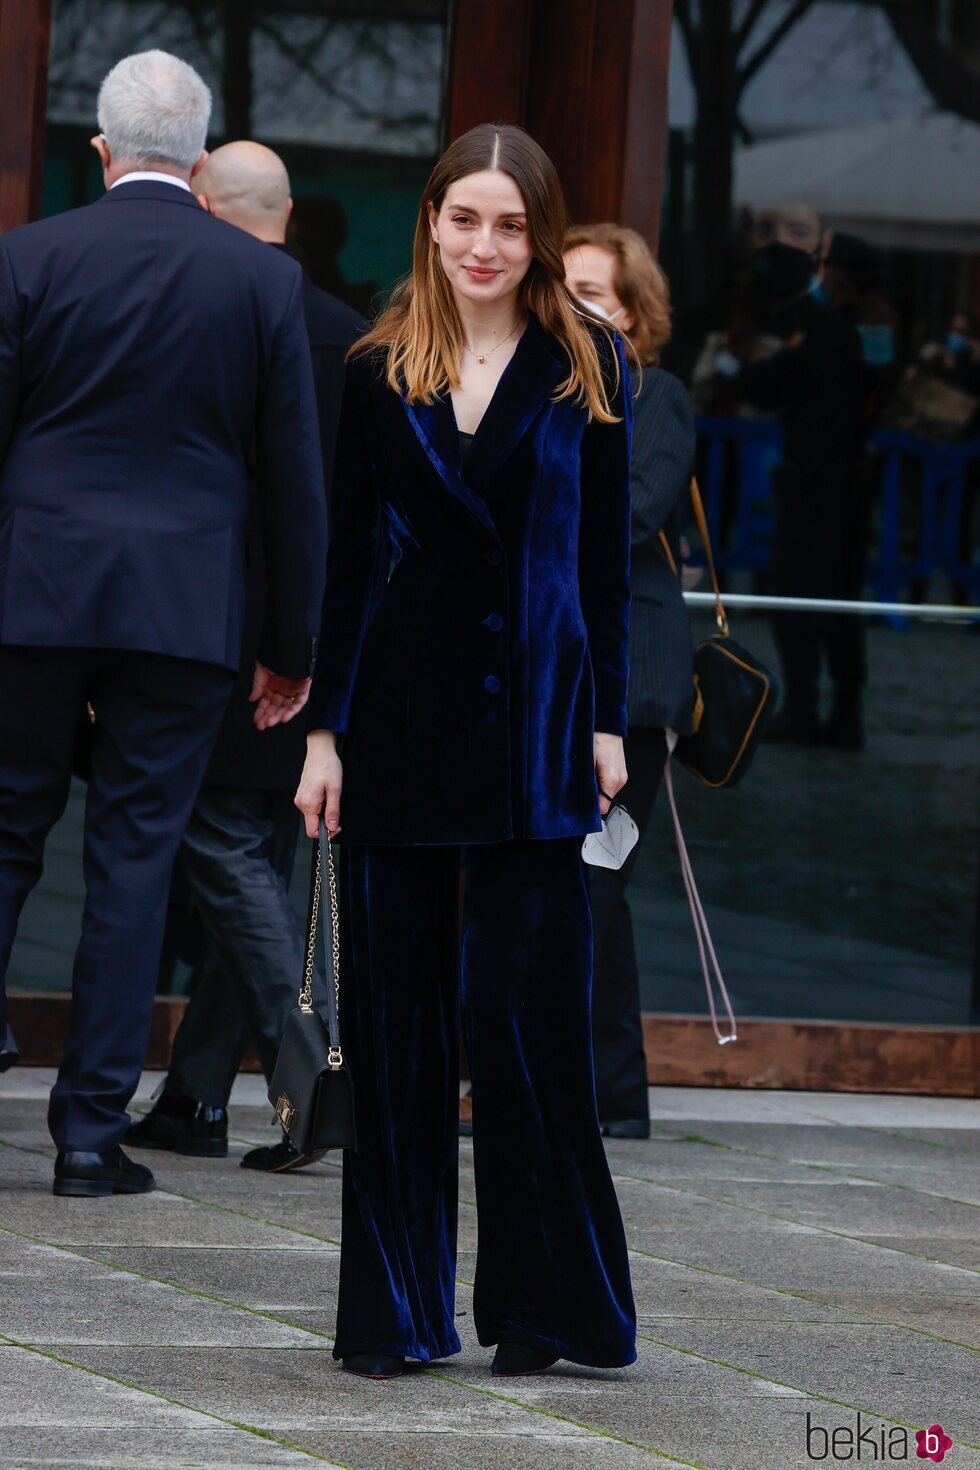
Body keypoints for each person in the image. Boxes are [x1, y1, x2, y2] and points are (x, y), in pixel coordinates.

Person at [293, 122, 637, 1380]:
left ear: (537, 233)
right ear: (429, 221)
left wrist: (604, 722)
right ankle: (394, 1312)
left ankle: (550, 1311)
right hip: (396, 730)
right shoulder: (377, 363)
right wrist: (323, 729)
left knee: (528, 1033)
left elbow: (600, 566)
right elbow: (342, 564)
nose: (484, 244)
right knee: (396, 1037)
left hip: (539, 737)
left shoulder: (588, 362)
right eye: (463, 218)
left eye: (509, 222)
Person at [0, 53, 326, 1197]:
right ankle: (89, 1139)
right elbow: (293, 481)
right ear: (197, 163)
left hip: (31, 597)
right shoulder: (260, 284)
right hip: (185, 612)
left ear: (99, 150)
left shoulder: (26, 258)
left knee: (3, 836)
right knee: (134, 864)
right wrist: (291, 649)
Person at [125, 143, 364, 1174]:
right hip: (317, 641)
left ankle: (312, 1076)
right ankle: (194, 1096)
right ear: (290, 213)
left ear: (204, 210)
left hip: (223, 639)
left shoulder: (209, 318)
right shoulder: (358, 342)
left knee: (221, 847)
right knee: (252, 863)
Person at [564, 224, 695, 1139]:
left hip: (631, 687)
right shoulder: (539, 389)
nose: (576, 305)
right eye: (563, 286)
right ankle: (613, 1098)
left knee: (591, 884)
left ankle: (599, 1096)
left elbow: (635, 509)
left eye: (595, 292)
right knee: (578, 888)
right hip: (556, 675)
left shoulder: (657, 394)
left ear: (632, 312)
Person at [715, 236, 867, 745]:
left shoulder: (826, 332)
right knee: (844, 595)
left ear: (840, 275)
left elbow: (769, 384)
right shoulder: (869, 333)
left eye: (825, 266)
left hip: (812, 484)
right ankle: (845, 712)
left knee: (799, 591)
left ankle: (806, 707)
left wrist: (738, 365)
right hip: (849, 483)